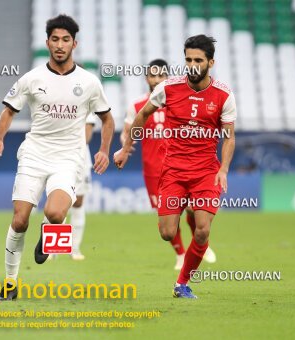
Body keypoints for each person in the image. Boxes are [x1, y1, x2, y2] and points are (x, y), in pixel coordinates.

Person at [0, 14, 115, 300]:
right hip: (34, 154)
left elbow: (108, 120)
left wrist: (104, 151)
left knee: (56, 214)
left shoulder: (89, 82)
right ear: (47, 42)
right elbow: (9, 111)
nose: (60, 45)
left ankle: (49, 237)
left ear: (74, 43)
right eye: (55, 39)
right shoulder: (32, 78)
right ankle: (10, 285)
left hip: (69, 158)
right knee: (20, 221)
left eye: (66, 40)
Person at [114, 35, 236, 298]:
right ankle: (187, 224)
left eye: (198, 60)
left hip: (205, 172)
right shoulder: (168, 88)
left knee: (202, 231)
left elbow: (229, 137)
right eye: (188, 59)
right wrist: (126, 148)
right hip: (173, 172)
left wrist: (223, 169)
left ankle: (182, 284)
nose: (192, 65)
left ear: (210, 62)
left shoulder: (224, 95)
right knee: (167, 232)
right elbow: (143, 114)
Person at [121, 59, 216, 270]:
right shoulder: (137, 105)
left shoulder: (178, 99)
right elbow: (127, 132)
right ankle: (180, 254)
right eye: (152, 75)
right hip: (154, 170)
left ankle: (200, 242)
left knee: (193, 208)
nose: (156, 80)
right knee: (167, 220)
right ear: (146, 78)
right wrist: (125, 145)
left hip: (182, 166)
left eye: (160, 76)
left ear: (167, 78)